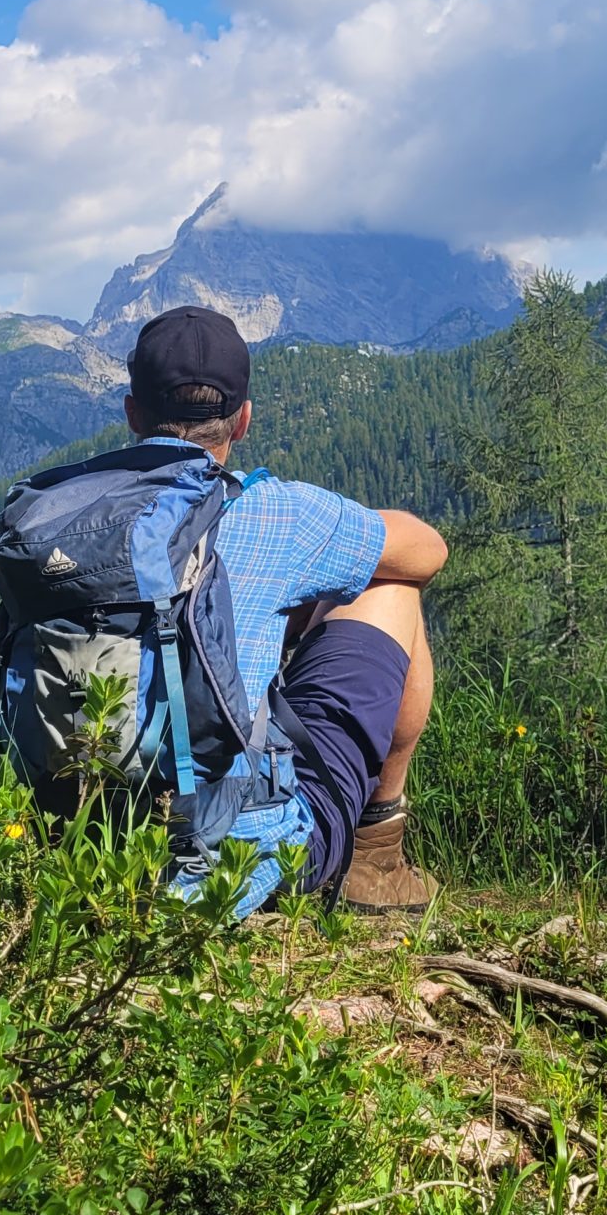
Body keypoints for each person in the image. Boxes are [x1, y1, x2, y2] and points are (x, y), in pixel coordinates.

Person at [119, 304, 447, 912]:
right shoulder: (274, 513)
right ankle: (376, 857)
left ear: (132, 411)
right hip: (234, 856)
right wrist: (311, 588)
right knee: (390, 586)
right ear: (242, 421)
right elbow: (427, 551)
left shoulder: (49, 519)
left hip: (93, 842)